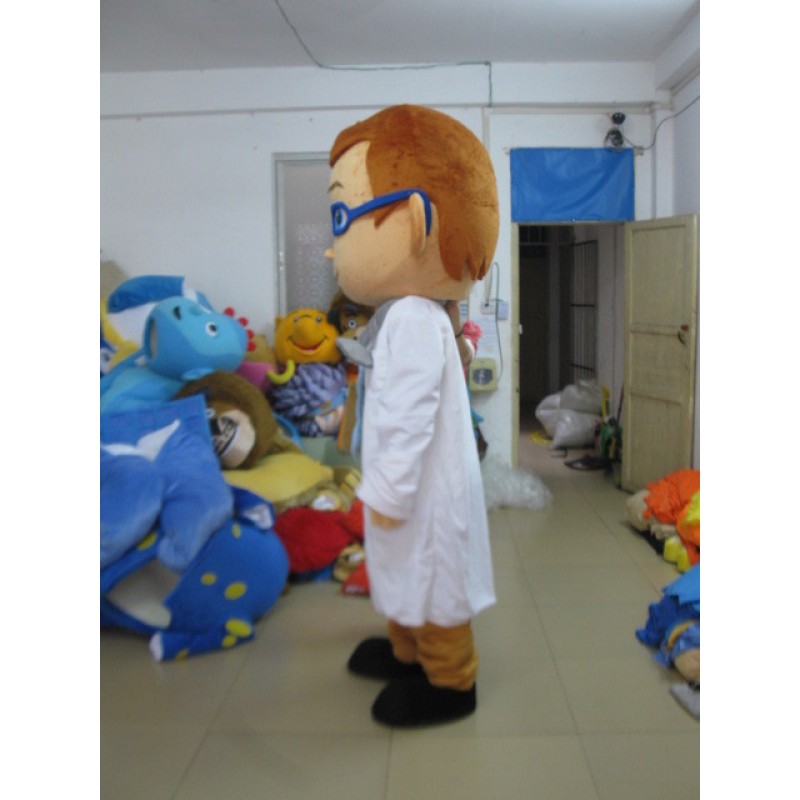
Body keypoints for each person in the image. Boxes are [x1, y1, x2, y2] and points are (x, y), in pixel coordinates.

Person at [324, 104, 499, 727]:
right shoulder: (405, 315)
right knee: (405, 573)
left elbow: (408, 416)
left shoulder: (416, 321)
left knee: (435, 580)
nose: (332, 245)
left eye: (342, 216)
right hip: (409, 487)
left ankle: (451, 680)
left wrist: (390, 489)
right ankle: (407, 652)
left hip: (422, 490)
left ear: (417, 220)